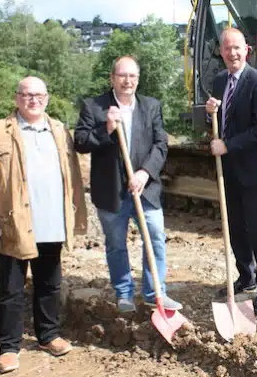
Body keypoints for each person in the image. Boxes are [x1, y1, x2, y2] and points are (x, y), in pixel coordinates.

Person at [0, 76, 87, 374]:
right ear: (16, 98)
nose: (33, 100)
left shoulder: (59, 130)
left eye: (39, 95)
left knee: (49, 283)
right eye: (26, 94)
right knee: (10, 288)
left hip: (52, 222)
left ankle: (48, 335)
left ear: (47, 97)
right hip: (13, 225)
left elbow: (72, 175)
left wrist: (75, 217)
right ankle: (9, 347)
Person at [74, 56, 182, 313]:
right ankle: (124, 293)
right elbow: (80, 141)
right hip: (111, 191)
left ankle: (155, 291)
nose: (127, 81)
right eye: (122, 76)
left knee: (155, 236)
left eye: (132, 76)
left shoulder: (151, 106)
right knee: (116, 244)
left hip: (145, 188)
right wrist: (107, 129)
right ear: (112, 78)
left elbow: (160, 144)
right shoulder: (95, 107)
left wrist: (145, 172)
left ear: (138, 79)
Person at [205, 28, 257, 315]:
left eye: (237, 48)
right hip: (228, 170)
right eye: (226, 48)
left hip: (253, 170)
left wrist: (228, 145)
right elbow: (219, 121)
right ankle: (245, 276)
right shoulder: (220, 81)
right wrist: (210, 111)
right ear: (221, 52)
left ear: (246, 50)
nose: (232, 53)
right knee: (235, 228)